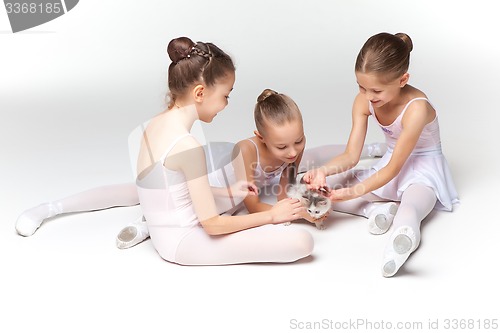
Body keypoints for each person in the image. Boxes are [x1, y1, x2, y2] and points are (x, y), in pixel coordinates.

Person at [16, 37, 314, 266]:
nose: (226, 104)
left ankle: (54, 208)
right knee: (302, 243)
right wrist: (272, 216)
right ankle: (144, 225)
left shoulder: (152, 126)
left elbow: (168, 192)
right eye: (225, 95)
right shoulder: (188, 144)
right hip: (182, 242)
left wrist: (228, 193)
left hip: (165, 224)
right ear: (200, 93)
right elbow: (212, 225)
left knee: (226, 194)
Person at [303, 32, 459, 277]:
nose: (367, 96)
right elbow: (351, 155)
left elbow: (394, 168)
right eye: (361, 87)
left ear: (402, 80)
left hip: (423, 167)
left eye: (375, 90)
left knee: (412, 207)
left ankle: (399, 245)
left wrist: (354, 192)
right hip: (390, 161)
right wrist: (323, 171)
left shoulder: (416, 109)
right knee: (326, 192)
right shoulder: (364, 101)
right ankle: (378, 212)